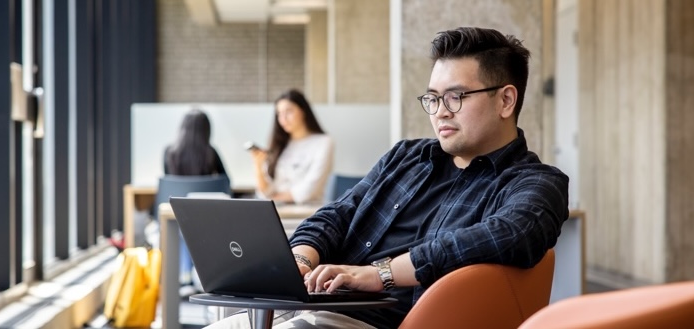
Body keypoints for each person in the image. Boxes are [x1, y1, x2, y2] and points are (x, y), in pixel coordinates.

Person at [209, 26, 569, 329]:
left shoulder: (536, 183)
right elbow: (340, 214)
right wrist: (299, 260)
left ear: (506, 101)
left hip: (374, 321)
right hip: (318, 302)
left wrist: (378, 274)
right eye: (432, 98)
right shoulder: (407, 157)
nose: (440, 112)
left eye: (456, 97)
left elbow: (511, 234)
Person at [162, 108, 228, 295]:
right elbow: (226, 183)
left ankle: (185, 277)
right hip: (204, 215)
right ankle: (197, 276)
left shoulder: (169, 152)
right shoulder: (211, 153)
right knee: (194, 228)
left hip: (176, 215)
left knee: (182, 227)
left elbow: (169, 183)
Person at [249, 89, 333, 205]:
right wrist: (258, 166)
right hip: (277, 209)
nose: (283, 118)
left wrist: (273, 199)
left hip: (307, 211)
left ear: (303, 111)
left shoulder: (323, 142)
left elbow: (309, 190)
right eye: (279, 113)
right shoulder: (279, 144)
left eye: (289, 111)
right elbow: (266, 192)